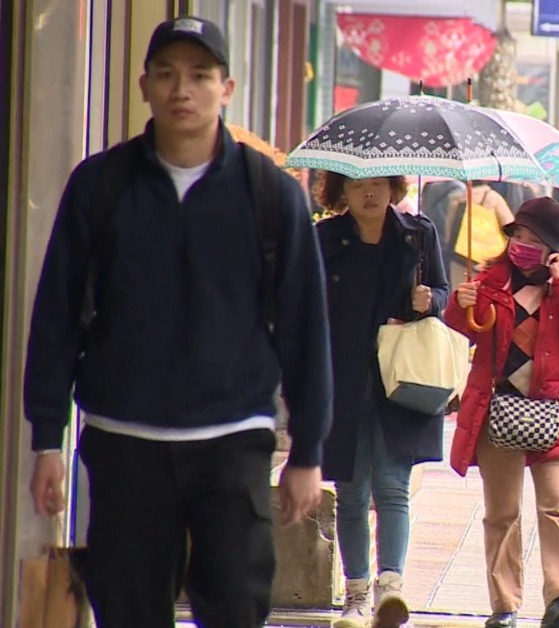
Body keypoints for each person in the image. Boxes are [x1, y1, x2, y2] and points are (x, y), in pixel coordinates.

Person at [23, 16, 331, 628]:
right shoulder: (101, 187)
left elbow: (304, 327)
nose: (181, 90)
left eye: (198, 75)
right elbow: (58, 316)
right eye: (166, 74)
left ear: (228, 88)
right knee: (130, 612)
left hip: (233, 444)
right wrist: (46, 438)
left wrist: (310, 452)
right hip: (124, 445)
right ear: (144, 86)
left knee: (238, 609)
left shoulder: (269, 195)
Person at [444, 197, 559, 628]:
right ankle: (505, 606)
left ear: (554, 248)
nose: (522, 245)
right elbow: (460, 328)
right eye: (518, 235)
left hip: (557, 408)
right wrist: (462, 301)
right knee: (501, 512)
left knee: (557, 503)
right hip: (498, 411)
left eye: (534, 240)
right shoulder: (490, 279)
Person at [314, 172, 449, 627]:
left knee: (392, 486)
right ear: (341, 193)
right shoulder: (325, 238)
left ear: (394, 188)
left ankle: (389, 589)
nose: (368, 193)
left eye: (377, 184)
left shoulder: (418, 234)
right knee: (351, 491)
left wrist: (431, 301)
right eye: (355, 185)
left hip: (401, 376)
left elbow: (444, 294)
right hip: (342, 378)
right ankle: (355, 595)